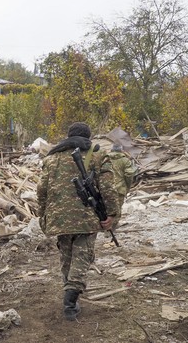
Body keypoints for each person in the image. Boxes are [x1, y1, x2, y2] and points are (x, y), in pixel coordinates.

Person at [37, 122, 120, 321]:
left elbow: (41, 191)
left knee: (66, 256)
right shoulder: (98, 155)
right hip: (85, 217)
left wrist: (43, 216)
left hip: (58, 219)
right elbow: (108, 188)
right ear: (88, 138)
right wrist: (113, 214)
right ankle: (70, 300)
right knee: (82, 256)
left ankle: (70, 299)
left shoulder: (52, 158)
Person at [107, 143, 137, 223]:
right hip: (120, 188)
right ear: (121, 150)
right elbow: (129, 174)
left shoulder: (105, 159)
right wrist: (128, 186)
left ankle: (106, 227)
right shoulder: (125, 160)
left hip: (106, 188)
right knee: (118, 208)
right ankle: (113, 227)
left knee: (106, 207)